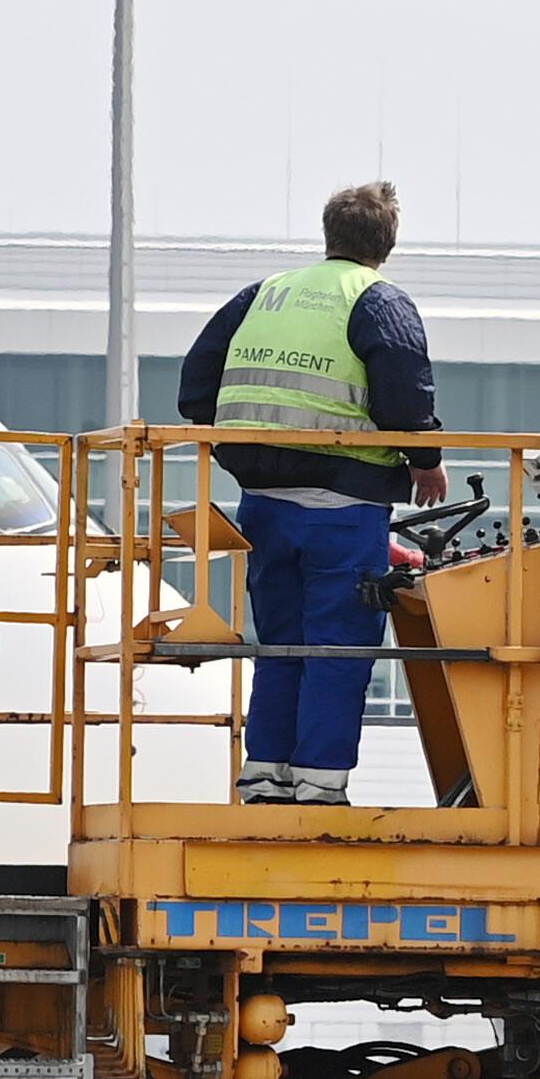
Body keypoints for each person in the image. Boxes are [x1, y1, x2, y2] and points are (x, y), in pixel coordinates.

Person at [176, 182, 444, 806]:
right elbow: (405, 397)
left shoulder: (263, 295)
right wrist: (427, 462)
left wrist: (233, 441)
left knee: (280, 643)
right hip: (343, 507)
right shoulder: (377, 301)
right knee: (336, 648)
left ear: (329, 234)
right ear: (387, 244)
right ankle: (320, 788)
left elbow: (195, 387)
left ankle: (264, 778)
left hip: (263, 504)